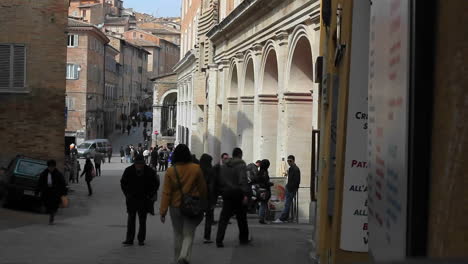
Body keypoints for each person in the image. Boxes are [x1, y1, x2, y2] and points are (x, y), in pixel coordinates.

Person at [160, 144, 208, 264]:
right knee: (189, 233)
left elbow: (166, 192)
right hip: (192, 205)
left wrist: (163, 210)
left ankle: (177, 259)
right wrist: (204, 202)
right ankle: (184, 256)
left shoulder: (171, 171)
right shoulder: (196, 168)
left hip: (175, 206)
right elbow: (203, 188)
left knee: (177, 233)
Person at [215, 148, 252, 248]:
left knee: (224, 218)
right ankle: (243, 238)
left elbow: (221, 179)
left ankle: (219, 240)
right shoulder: (241, 165)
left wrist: (223, 190)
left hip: (227, 193)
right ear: (240, 155)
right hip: (238, 193)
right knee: (242, 218)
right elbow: (242, 180)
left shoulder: (225, 165)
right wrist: (245, 194)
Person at [121, 155, 160, 246]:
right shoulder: (128, 170)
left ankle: (141, 239)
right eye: (137, 164)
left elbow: (156, 184)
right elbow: (123, 183)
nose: (139, 166)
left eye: (141, 164)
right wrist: (127, 194)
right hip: (132, 199)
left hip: (144, 199)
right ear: (134, 163)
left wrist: (150, 194)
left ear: (143, 163)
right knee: (131, 219)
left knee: (142, 220)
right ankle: (130, 239)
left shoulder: (149, 171)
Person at [37, 160, 67, 225]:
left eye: (52, 167)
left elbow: (62, 184)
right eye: (50, 167)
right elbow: (40, 182)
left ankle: (51, 218)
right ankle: (48, 211)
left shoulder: (58, 174)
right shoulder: (44, 173)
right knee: (47, 204)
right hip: (47, 192)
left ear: (54, 167)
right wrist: (38, 190)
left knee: (53, 206)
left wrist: (63, 193)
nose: (51, 168)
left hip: (55, 193)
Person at [274, 155, 301, 223]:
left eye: (290, 161)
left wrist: (291, 188)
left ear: (293, 160)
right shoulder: (291, 168)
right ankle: (285, 218)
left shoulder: (295, 169)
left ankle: (282, 218)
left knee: (287, 204)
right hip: (289, 188)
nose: (289, 162)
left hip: (291, 189)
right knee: (287, 204)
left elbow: (297, 181)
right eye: (288, 161)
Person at [199, 154, 216, 244]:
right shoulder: (211, 171)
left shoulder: (197, 170)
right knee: (209, 218)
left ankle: (188, 233)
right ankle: (207, 237)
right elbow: (212, 186)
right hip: (208, 197)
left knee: (194, 216)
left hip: (197, 197)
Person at [250, 159, 272, 224]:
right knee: (263, 204)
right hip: (264, 190)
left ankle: (262, 218)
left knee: (262, 204)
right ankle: (262, 219)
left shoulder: (260, 171)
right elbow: (265, 182)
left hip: (260, 190)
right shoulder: (264, 172)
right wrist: (270, 184)